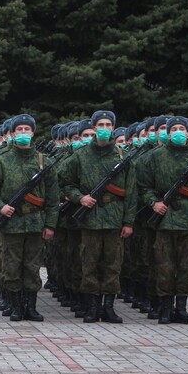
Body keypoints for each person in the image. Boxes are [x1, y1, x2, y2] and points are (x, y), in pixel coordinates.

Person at [60, 110, 136, 323]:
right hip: (90, 219)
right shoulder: (81, 155)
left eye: (107, 125)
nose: (104, 128)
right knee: (89, 263)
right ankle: (92, 307)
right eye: (100, 125)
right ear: (93, 128)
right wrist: (79, 198)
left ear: (113, 127)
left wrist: (128, 221)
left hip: (114, 219)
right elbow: (64, 182)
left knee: (113, 264)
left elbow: (131, 193)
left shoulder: (122, 156)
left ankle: (109, 307)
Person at [0, 114, 59, 322]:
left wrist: (50, 224)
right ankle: (16, 306)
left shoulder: (45, 162)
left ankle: (31, 307)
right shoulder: (2, 161)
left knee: (33, 266)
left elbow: (53, 198)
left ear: (33, 133)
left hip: (36, 222)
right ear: (13, 134)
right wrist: (1, 207)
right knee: (11, 265)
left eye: (27, 130)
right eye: (20, 130)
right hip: (12, 223)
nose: (23, 134)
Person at [137, 115, 188, 324]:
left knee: (186, 265)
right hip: (164, 220)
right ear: (168, 133)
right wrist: (154, 203)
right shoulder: (154, 157)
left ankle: (181, 308)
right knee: (164, 265)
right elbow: (143, 187)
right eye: (174, 129)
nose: (178, 132)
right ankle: (164, 308)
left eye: (182, 128)